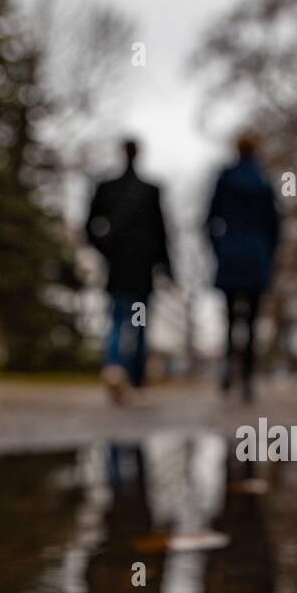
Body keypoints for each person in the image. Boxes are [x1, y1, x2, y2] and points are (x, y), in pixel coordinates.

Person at [86, 139, 172, 402]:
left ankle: (114, 368)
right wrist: (166, 267)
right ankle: (136, 378)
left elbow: (90, 226)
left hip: (119, 265)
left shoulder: (107, 188)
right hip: (142, 267)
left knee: (118, 318)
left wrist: (106, 250)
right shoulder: (150, 190)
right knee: (138, 322)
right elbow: (161, 232)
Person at [205, 132, 280, 400]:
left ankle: (228, 372)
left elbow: (210, 219)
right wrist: (269, 256)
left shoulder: (225, 179)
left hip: (231, 254)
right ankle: (247, 379)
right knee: (251, 322)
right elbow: (274, 226)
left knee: (228, 319)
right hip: (256, 256)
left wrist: (218, 248)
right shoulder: (264, 181)